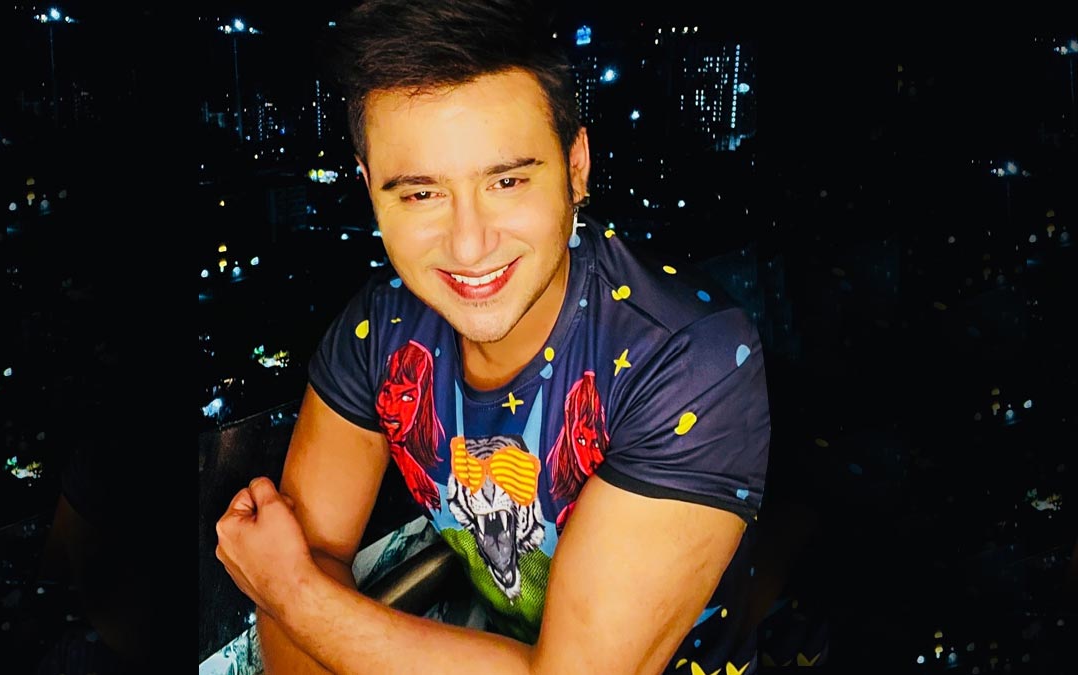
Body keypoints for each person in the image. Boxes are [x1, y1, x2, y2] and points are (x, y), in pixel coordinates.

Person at [215, 1, 771, 673]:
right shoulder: (378, 330)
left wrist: (293, 594)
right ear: (369, 189)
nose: (469, 245)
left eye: (507, 181)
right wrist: (295, 587)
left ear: (576, 167)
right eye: (421, 194)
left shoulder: (691, 358)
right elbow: (311, 556)